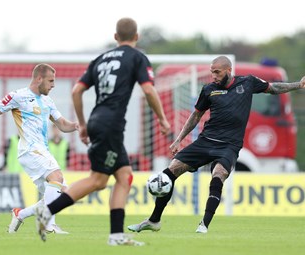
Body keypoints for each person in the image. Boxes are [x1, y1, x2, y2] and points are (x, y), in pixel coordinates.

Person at [127, 55, 305, 234]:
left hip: (229, 145)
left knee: (218, 174)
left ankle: (204, 224)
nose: (213, 76)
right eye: (212, 72)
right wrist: (179, 139)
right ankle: (154, 220)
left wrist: (298, 84)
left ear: (228, 70)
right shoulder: (209, 89)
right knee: (170, 171)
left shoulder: (248, 82)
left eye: (217, 72)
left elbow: (273, 88)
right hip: (205, 142)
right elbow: (195, 115)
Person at [34, 17, 170, 246]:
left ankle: (116, 236)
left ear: (115, 38)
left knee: (124, 176)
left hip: (98, 120)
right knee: (98, 180)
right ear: (136, 37)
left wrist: (84, 124)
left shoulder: (100, 59)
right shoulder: (138, 57)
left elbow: (76, 91)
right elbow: (148, 90)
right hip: (112, 125)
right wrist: (163, 119)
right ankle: (47, 211)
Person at [0, 63, 78, 234]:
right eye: (51, 81)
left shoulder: (48, 100)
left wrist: (77, 125)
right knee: (57, 176)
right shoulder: (18, 96)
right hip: (29, 149)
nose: (53, 85)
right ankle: (48, 224)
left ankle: (20, 214)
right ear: (39, 79)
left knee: (62, 194)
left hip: (42, 151)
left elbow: (62, 124)